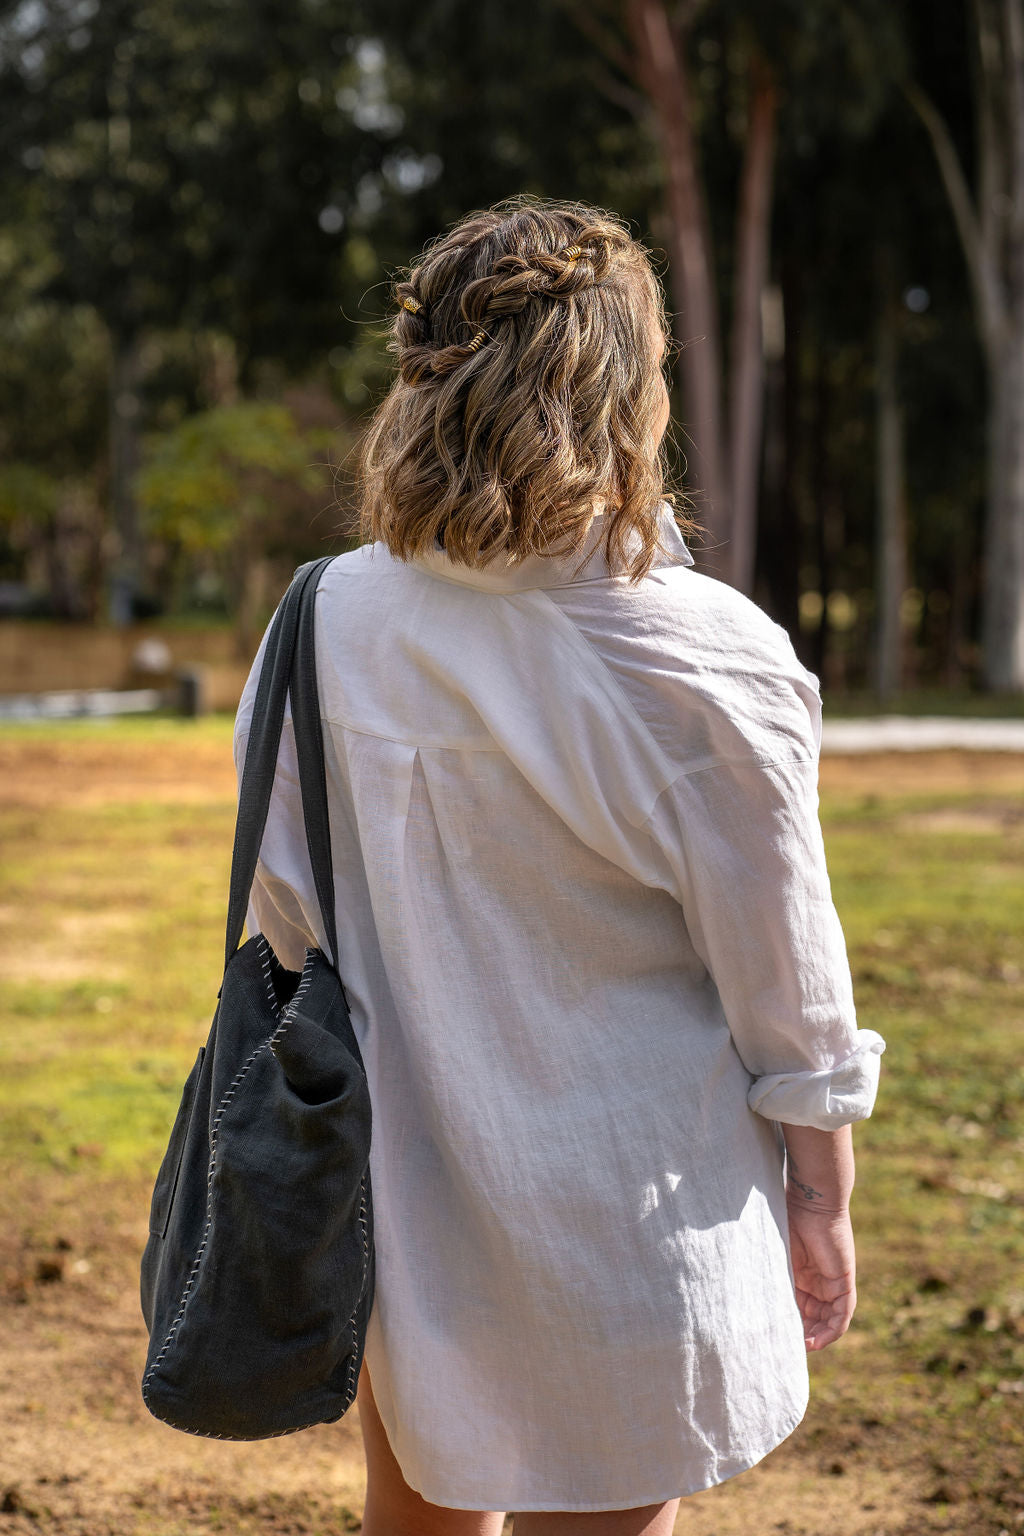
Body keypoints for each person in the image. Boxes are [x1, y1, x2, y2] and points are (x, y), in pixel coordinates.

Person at [233, 197, 886, 1536]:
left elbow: (285, 925)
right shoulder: (712, 656)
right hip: (637, 1218)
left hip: (397, 1196)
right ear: (628, 390)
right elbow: (790, 983)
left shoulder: (318, 622)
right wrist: (821, 1196)